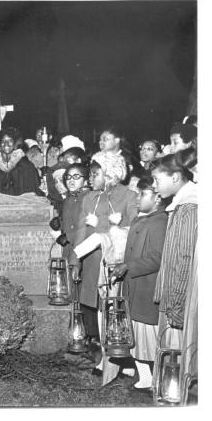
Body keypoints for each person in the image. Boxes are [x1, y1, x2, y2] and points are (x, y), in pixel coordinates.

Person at [73, 152, 138, 377]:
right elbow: (82, 231)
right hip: (92, 263)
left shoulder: (129, 196)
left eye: (95, 174)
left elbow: (134, 228)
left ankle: (125, 359)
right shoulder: (89, 197)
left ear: (110, 174)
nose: (90, 179)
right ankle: (105, 357)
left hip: (116, 263)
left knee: (116, 310)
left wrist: (116, 222)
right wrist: (75, 263)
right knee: (98, 311)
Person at [109, 176, 168, 390]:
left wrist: (128, 267)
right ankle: (145, 377)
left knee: (147, 336)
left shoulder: (159, 221)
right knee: (136, 334)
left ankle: (158, 378)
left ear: (158, 198)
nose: (137, 199)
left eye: (142, 194)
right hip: (134, 285)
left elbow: (156, 258)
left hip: (146, 286)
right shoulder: (140, 219)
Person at [151, 154, 197, 362]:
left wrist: (177, 304)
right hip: (176, 299)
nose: (153, 186)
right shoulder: (179, 205)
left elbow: (185, 258)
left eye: (157, 180)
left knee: (179, 355)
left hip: (181, 301)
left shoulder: (189, 207)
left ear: (176, 177)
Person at [0, 127, 39, 195]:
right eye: (3, 141)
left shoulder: (26, 166)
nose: (6, 144)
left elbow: (33, 192)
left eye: (10, 141)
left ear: (15, 144)